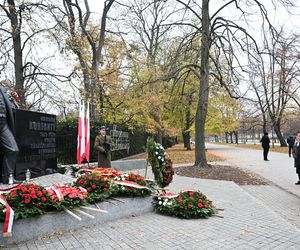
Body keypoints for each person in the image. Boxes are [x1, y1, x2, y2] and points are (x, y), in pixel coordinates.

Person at [0, 85, 20, 184]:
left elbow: (12, 108)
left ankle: (8, 177)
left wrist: (14, 100)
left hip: (3, 122)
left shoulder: (3, 90)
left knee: (13, 149)